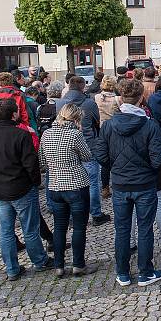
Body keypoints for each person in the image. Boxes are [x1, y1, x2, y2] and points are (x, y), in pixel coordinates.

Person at [94, 79, 161, 287]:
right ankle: (145, 271)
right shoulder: (149, 125)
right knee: (144, 229)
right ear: (141, 98)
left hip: (121, 184)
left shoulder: (108, 126)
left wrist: (115, 166)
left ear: (120, 98)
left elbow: (100, 154)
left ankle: (123, 272)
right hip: (143, 184)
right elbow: (158, 159)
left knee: (123, 229)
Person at [0, 98, 50, 279]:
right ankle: (40, 261)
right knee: (29, 228)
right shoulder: (21, 135)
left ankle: (12, 268)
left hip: (0, 188)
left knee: (6, 230)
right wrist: (34, 182)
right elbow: (31, 164)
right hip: (21, 187)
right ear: (14, 115)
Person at [39, 103, 98, 278]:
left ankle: (59, 266)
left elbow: (41, 162)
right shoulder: (75, 134)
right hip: (76, 185)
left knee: (59, 227)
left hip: (55, 186)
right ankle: (78, 265)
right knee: (79, 227)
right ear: (76, 119)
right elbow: (87, 156)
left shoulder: (46, 134)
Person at [58, 76, 109, 226]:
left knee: (72, 183)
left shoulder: (61, 103)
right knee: (92, 182)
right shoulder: (89, 103)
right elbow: (97, 122)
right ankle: (96, 214)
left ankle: (75, 216)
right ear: (82, 87)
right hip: (88, 144)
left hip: (67, 146)